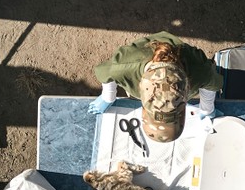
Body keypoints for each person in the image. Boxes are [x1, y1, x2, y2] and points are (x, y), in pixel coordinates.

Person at [87, 31, 224, 143]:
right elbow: (104, 73)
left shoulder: (199, 69)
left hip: (183, 52)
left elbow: (212, 84)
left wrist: (207, 109)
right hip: (143, 51)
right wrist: (108, 96)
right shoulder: (122, 67)